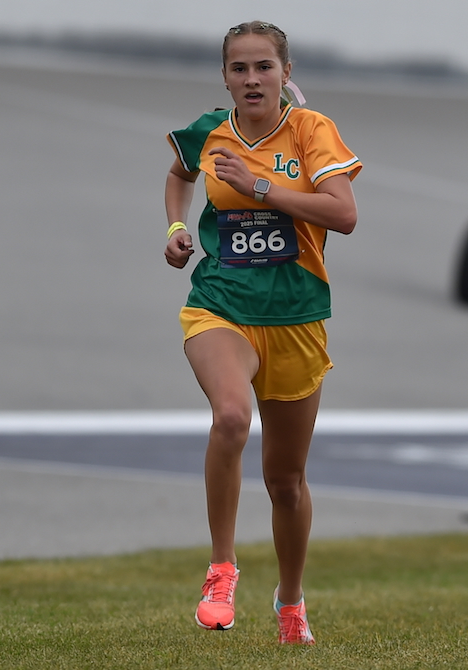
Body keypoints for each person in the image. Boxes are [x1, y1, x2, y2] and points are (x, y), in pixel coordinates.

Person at [163, 20, 361, 644]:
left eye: (264, 67)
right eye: (239, 69)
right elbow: (179, 174)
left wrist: (263, 188)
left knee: (285, 481)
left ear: (285, 72)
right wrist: (174, 229)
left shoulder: (310, 131)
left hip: (298, 318)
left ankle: (291, 604)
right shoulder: (209, 130)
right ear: (225, 76)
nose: (252, 79)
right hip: (220, 303)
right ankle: (221, 569)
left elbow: (344, 214)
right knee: (229, 417)